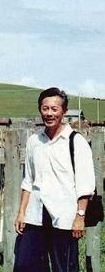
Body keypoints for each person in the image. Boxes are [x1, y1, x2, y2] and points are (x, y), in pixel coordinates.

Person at [14, 87, 95, 272]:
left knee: (63, 268)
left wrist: (79, 217)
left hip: (64, 218)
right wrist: (21, 213)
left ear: (64, 112)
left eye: (54, 109)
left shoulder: (76, 142)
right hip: (35, 216)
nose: (49, 113)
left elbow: (85, 185)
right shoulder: (34, 141)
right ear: (40, 110)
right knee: (26, 266)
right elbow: (28, 180)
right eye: (45, 108)